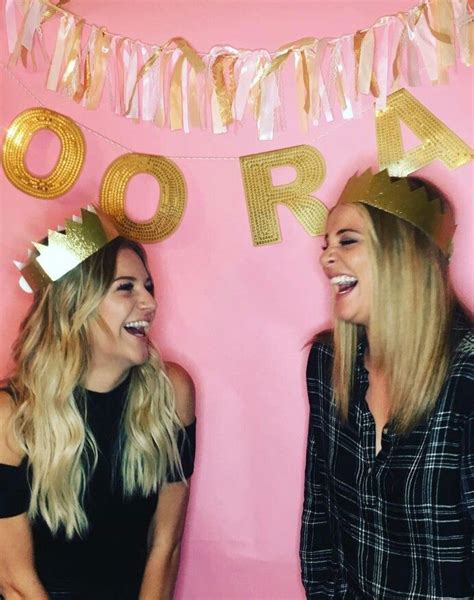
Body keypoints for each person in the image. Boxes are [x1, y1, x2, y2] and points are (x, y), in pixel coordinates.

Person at [0, 207, 196, 600]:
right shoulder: (11, 415)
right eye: (126, 287)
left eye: (148, 286)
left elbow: (165, 545)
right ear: (77, 307)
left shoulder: (172, 392)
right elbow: (15, 581)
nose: (150, 303)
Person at [300, 169, 473, 599]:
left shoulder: (466, 379)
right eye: (326, 245)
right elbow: (319, 522)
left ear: (404, 253)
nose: (326, 259)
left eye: (347, 240)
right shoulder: (328, 365)